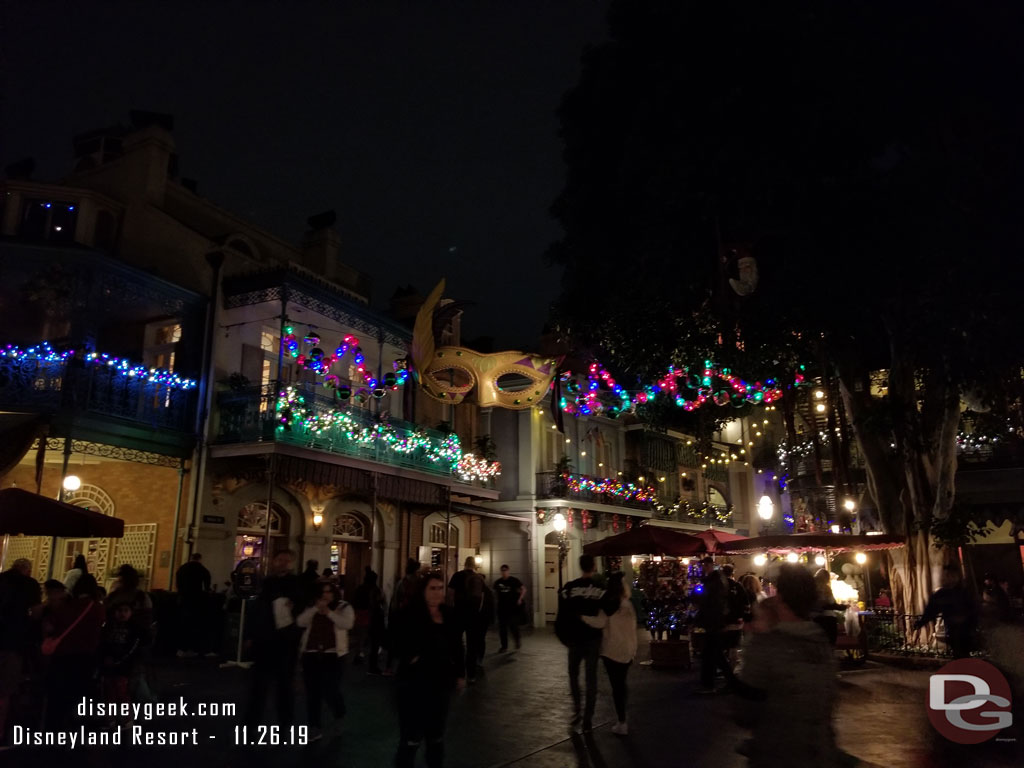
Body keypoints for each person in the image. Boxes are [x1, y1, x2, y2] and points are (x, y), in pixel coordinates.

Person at [735, 564, 842, 768]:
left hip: (777, 755)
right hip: (820, 753)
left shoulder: (767, 645)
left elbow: (744, 711)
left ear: (781, 596)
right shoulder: (820, 642)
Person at [392, 571, 465, 768]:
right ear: (423, 591)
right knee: (411, 736)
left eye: (440, 588)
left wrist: (460, 673)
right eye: (432, 588)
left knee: (436, 736)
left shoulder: (449, 615)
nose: (437, 593)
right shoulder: (409, 614)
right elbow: (394, 640)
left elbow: (458, 646)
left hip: (441, 682)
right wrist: (411, 656)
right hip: (413, 683)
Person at [555, 554, 616, 731]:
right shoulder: (600, 588)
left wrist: (563, 635)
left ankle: (577, 710)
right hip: (592, 638)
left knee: (573, 675)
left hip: (574, 638)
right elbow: (610, 609)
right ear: (594, 566)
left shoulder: (570, 588)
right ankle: (588, 715)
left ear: (580, 566)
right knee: (591, 677)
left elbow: (563, 612)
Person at [246, 550, 303, 726]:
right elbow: (256, 611)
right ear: (274, 561)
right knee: (259, 684)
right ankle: (252, 721)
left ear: (292, 563)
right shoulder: (265, 583)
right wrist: (250, 635)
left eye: (287, 560)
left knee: (284, 684)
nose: (283, 563)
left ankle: (284, 721)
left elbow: (302, 609)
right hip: (264, 640)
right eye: (280, 559)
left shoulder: (297, 584)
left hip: (286, 641)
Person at [44, 574, 105, 729]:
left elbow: (51, 627)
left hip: (62, 656)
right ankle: (76, 729)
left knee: (57, 696)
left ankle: (53, 729)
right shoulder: (97, 608)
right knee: (80, 694)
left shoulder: (65, 606)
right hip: (85, 656)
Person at [296, 582, 354, 740]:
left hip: (333, 655)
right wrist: (315, 608)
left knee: (330, 689)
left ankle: (339, 713)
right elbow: (300, 622)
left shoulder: (343, 607)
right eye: (322, 592)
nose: (325, 595)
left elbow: (347, 624)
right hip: (311, 654)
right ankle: (314, 726)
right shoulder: (312, 607)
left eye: (329, 592)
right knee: (312, 692)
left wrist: (328, 612)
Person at [581, 572, 637, 735]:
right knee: (622, 684)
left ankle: (622, 721)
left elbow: (599, 623)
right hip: (627, 649)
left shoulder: (607, 605)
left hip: (611, 650)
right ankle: (623, 717)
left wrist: (582, 617)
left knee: (616, 686)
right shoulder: (627, 604)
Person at [0, 559, 41, 747]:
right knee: (5, 690)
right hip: (14, 642)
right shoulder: (30, 585)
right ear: (27, 570)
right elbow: (36, 612)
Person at [107, 564, 156, 703]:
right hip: (128, 640)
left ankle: (132, 704)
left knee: (127, 675)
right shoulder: (139, 597)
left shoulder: (119, 596)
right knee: (132, 674)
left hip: (130, 640)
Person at [696, 557, 739, 694]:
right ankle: (724, 682)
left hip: (713, 621)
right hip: (715, 621)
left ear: (709, 565)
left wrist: (698, 617)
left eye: (704, 565)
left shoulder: (714, 582)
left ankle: (710, 684)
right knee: (714, 654)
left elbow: (711, 602)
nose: (703, 568)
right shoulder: (717, 580)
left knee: (711, 653)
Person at [914, 565, 977, 658]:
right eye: (945, 575)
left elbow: (973, 609)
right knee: (959, 654)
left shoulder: (964, 592)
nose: (946, 578)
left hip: (965, 630)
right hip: (953, 630)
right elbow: (931, 610)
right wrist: (921, 622)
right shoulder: (942, 594)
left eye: (949, 575)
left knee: (962, 654)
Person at [99, 602, 142, 724]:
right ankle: (111, 718)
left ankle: (126, 717)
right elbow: (103, 644)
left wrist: (118, 659)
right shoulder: (109, 627)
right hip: (110, 664)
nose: (122, 614)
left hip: (124, 665)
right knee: (109, 691)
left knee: (121, 690)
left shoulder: (134, 629)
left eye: (125, 610)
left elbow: (132, 647)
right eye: (119, 611)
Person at [447, 556, 488, 681]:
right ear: (474, 565)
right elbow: (483, 597)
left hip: (458, 613)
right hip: (473, 615)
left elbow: (450, 594)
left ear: (464, 564)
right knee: (472, 645)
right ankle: (471, 675)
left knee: (457, 643)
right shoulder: (480, 578)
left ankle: (458, 671)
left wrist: (450, 609)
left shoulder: (457, 576)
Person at [175, 553, 212, 658]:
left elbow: (178, 585)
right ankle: (194, 649)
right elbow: (206, 587)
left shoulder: (182, 569)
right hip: (197, 602)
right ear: (200, 559)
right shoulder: (203, 570)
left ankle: (181, 649)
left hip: (184, 600)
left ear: (191, 558)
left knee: (183, 624)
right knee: (196, 625)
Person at [352, 567, 386, 675]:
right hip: (373, 617)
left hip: (361, 615)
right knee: (374, 641)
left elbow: (355, 601)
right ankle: (372, 664)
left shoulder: (360, 588)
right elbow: (380, 603)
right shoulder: (376, 590)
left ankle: (359, 655)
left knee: (361, 637)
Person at [493, 564, 526, 652]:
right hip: (502, 608)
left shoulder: (514, 580)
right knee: (502, 628)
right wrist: (496, 602)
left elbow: (523, 589)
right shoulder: (498, 582)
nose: (504, 572)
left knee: (513, 626)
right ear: (501, 572)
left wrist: (520, 599)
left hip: (512, 608)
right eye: (502, 571)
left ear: (508, 571)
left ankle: (517, 640)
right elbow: (495, 593)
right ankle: (504, 646)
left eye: (505, 570)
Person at [811, 569, 844, 646]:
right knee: (830, 641)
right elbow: (831, 602)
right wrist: (843, 606)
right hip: (828, 618)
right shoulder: (826, 588)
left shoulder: (810, 588)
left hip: (814, 618)